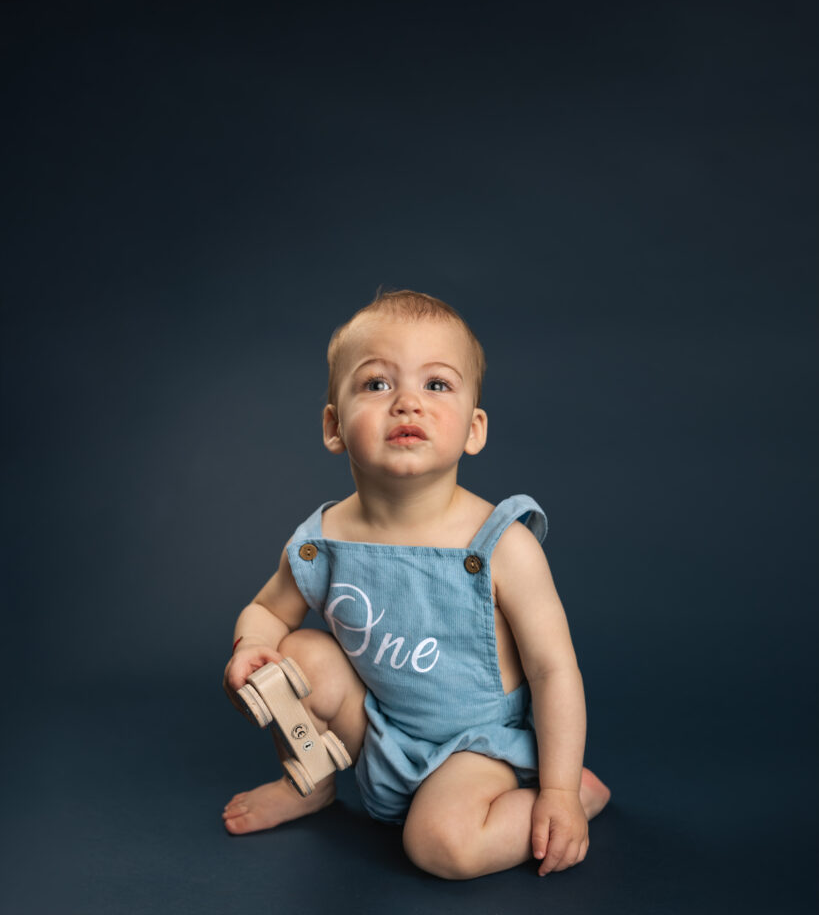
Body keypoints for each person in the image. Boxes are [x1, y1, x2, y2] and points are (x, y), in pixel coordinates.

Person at [222, 289, 610, 880]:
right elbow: (266, 612)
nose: (407, 403)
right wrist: (251, 648)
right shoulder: (321, 540)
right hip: (377, 724)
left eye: (436, 385)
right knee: (293, 655)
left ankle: (568, 800)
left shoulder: (502, 544)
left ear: (474, 429)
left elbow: (554, 672)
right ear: (333, 425)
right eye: (376, 384)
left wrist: (557, 786)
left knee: (438, 845)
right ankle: (309, 781)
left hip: (475, 746)